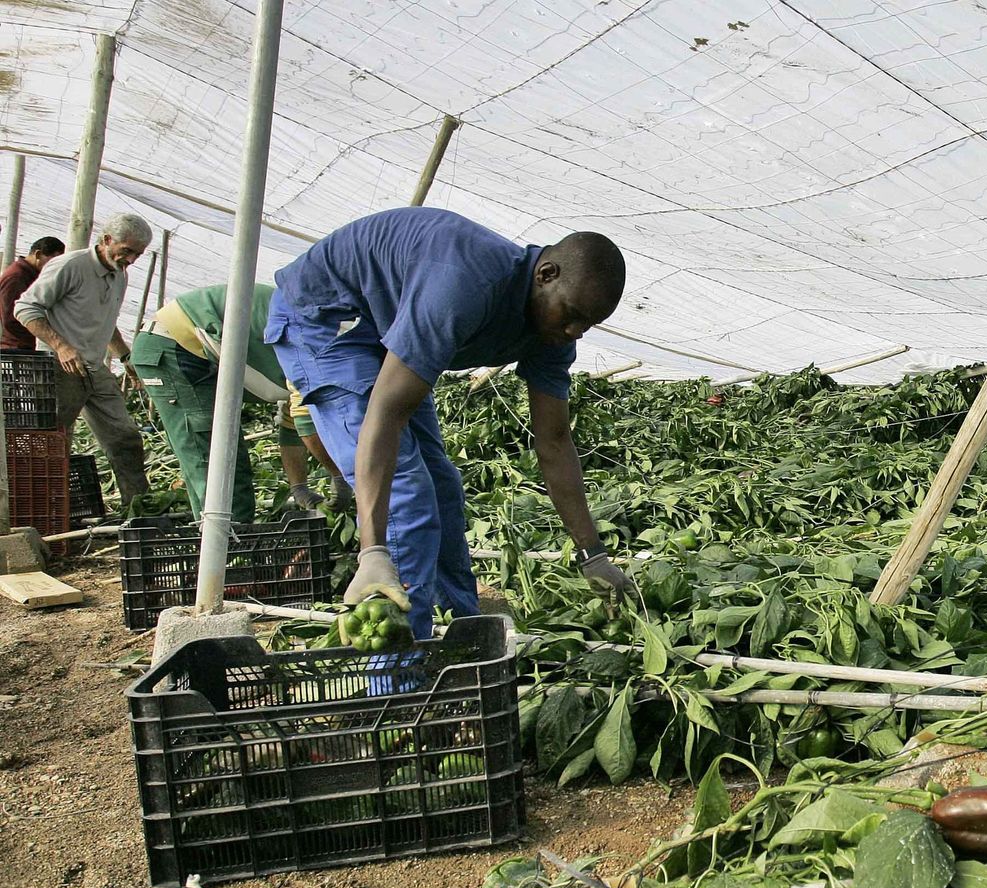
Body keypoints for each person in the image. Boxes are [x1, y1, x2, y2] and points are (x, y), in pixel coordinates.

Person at [265, 206, 632, 638]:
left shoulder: (553, 331)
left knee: (441, 484)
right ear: (546, 274)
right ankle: (397, 671)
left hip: (388, 329)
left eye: (588, 325)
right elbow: (384, 416)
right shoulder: (465, 284)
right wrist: (373, 550)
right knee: (405, 490)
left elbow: (553, 441)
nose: (576, 332)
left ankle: (463, 634)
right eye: (572, 315)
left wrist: (593, 554)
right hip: (328, 321)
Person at [128, 283, 354, 524]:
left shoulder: (334, 343)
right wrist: (341, 475)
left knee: (215, 460)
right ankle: (227, 550)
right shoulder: (329, 345)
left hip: (193, 348)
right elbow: (305, 425)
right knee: (220, 463)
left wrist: (298, 486)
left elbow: (292, 426)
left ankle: (219, 543)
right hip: (174, 347)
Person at [14, 214, 152, 508]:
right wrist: (61, 346)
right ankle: (39, 511)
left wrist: (125, 355)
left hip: (93, 367)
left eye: (137, 254)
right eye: (126, 250)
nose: (131, 259)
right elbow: (25, 309)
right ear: (106, 240)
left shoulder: (119, 274)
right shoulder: (70, 266)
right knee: (51, 443)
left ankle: (138, 509)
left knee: (124, 436)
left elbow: (108, 320)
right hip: (58, 368)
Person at [0, 236, 65, 351]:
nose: (55, 267)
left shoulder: (31, 274)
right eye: (53, 262)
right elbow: (10, 320)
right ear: (38, 255)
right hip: (16, 347)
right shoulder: (16, 277)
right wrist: (41, 334)